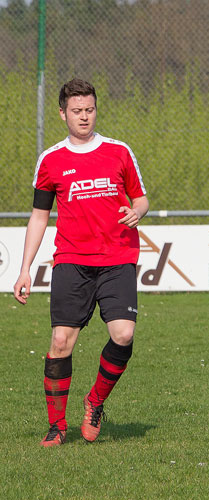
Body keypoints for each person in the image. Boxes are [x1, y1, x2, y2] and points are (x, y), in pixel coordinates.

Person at [13, 78, 149, 447]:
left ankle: (95, 402)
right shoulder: (51, 160)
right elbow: (39, 216)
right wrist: (25, 268)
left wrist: (136, 212)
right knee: (61, 341)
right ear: (62, 114)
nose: (84, 117)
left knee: (123, 335)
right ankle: (57, 426)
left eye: (89, 109)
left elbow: (141, 199)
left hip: (118, 257)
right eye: (77, 111)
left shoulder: (119, 151)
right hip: (72, 259)